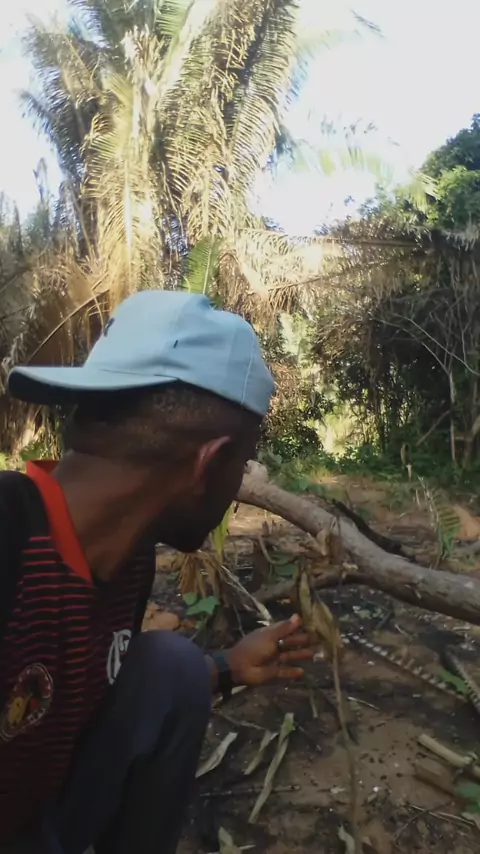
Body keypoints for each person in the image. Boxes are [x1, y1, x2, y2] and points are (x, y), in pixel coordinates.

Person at [0, 290, 312, 854]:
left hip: (37, 817)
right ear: (209, 463)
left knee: (174, 665)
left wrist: (226, 668)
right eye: (242, 463)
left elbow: (87, 695)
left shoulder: (127, 559)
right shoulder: (9, 540)